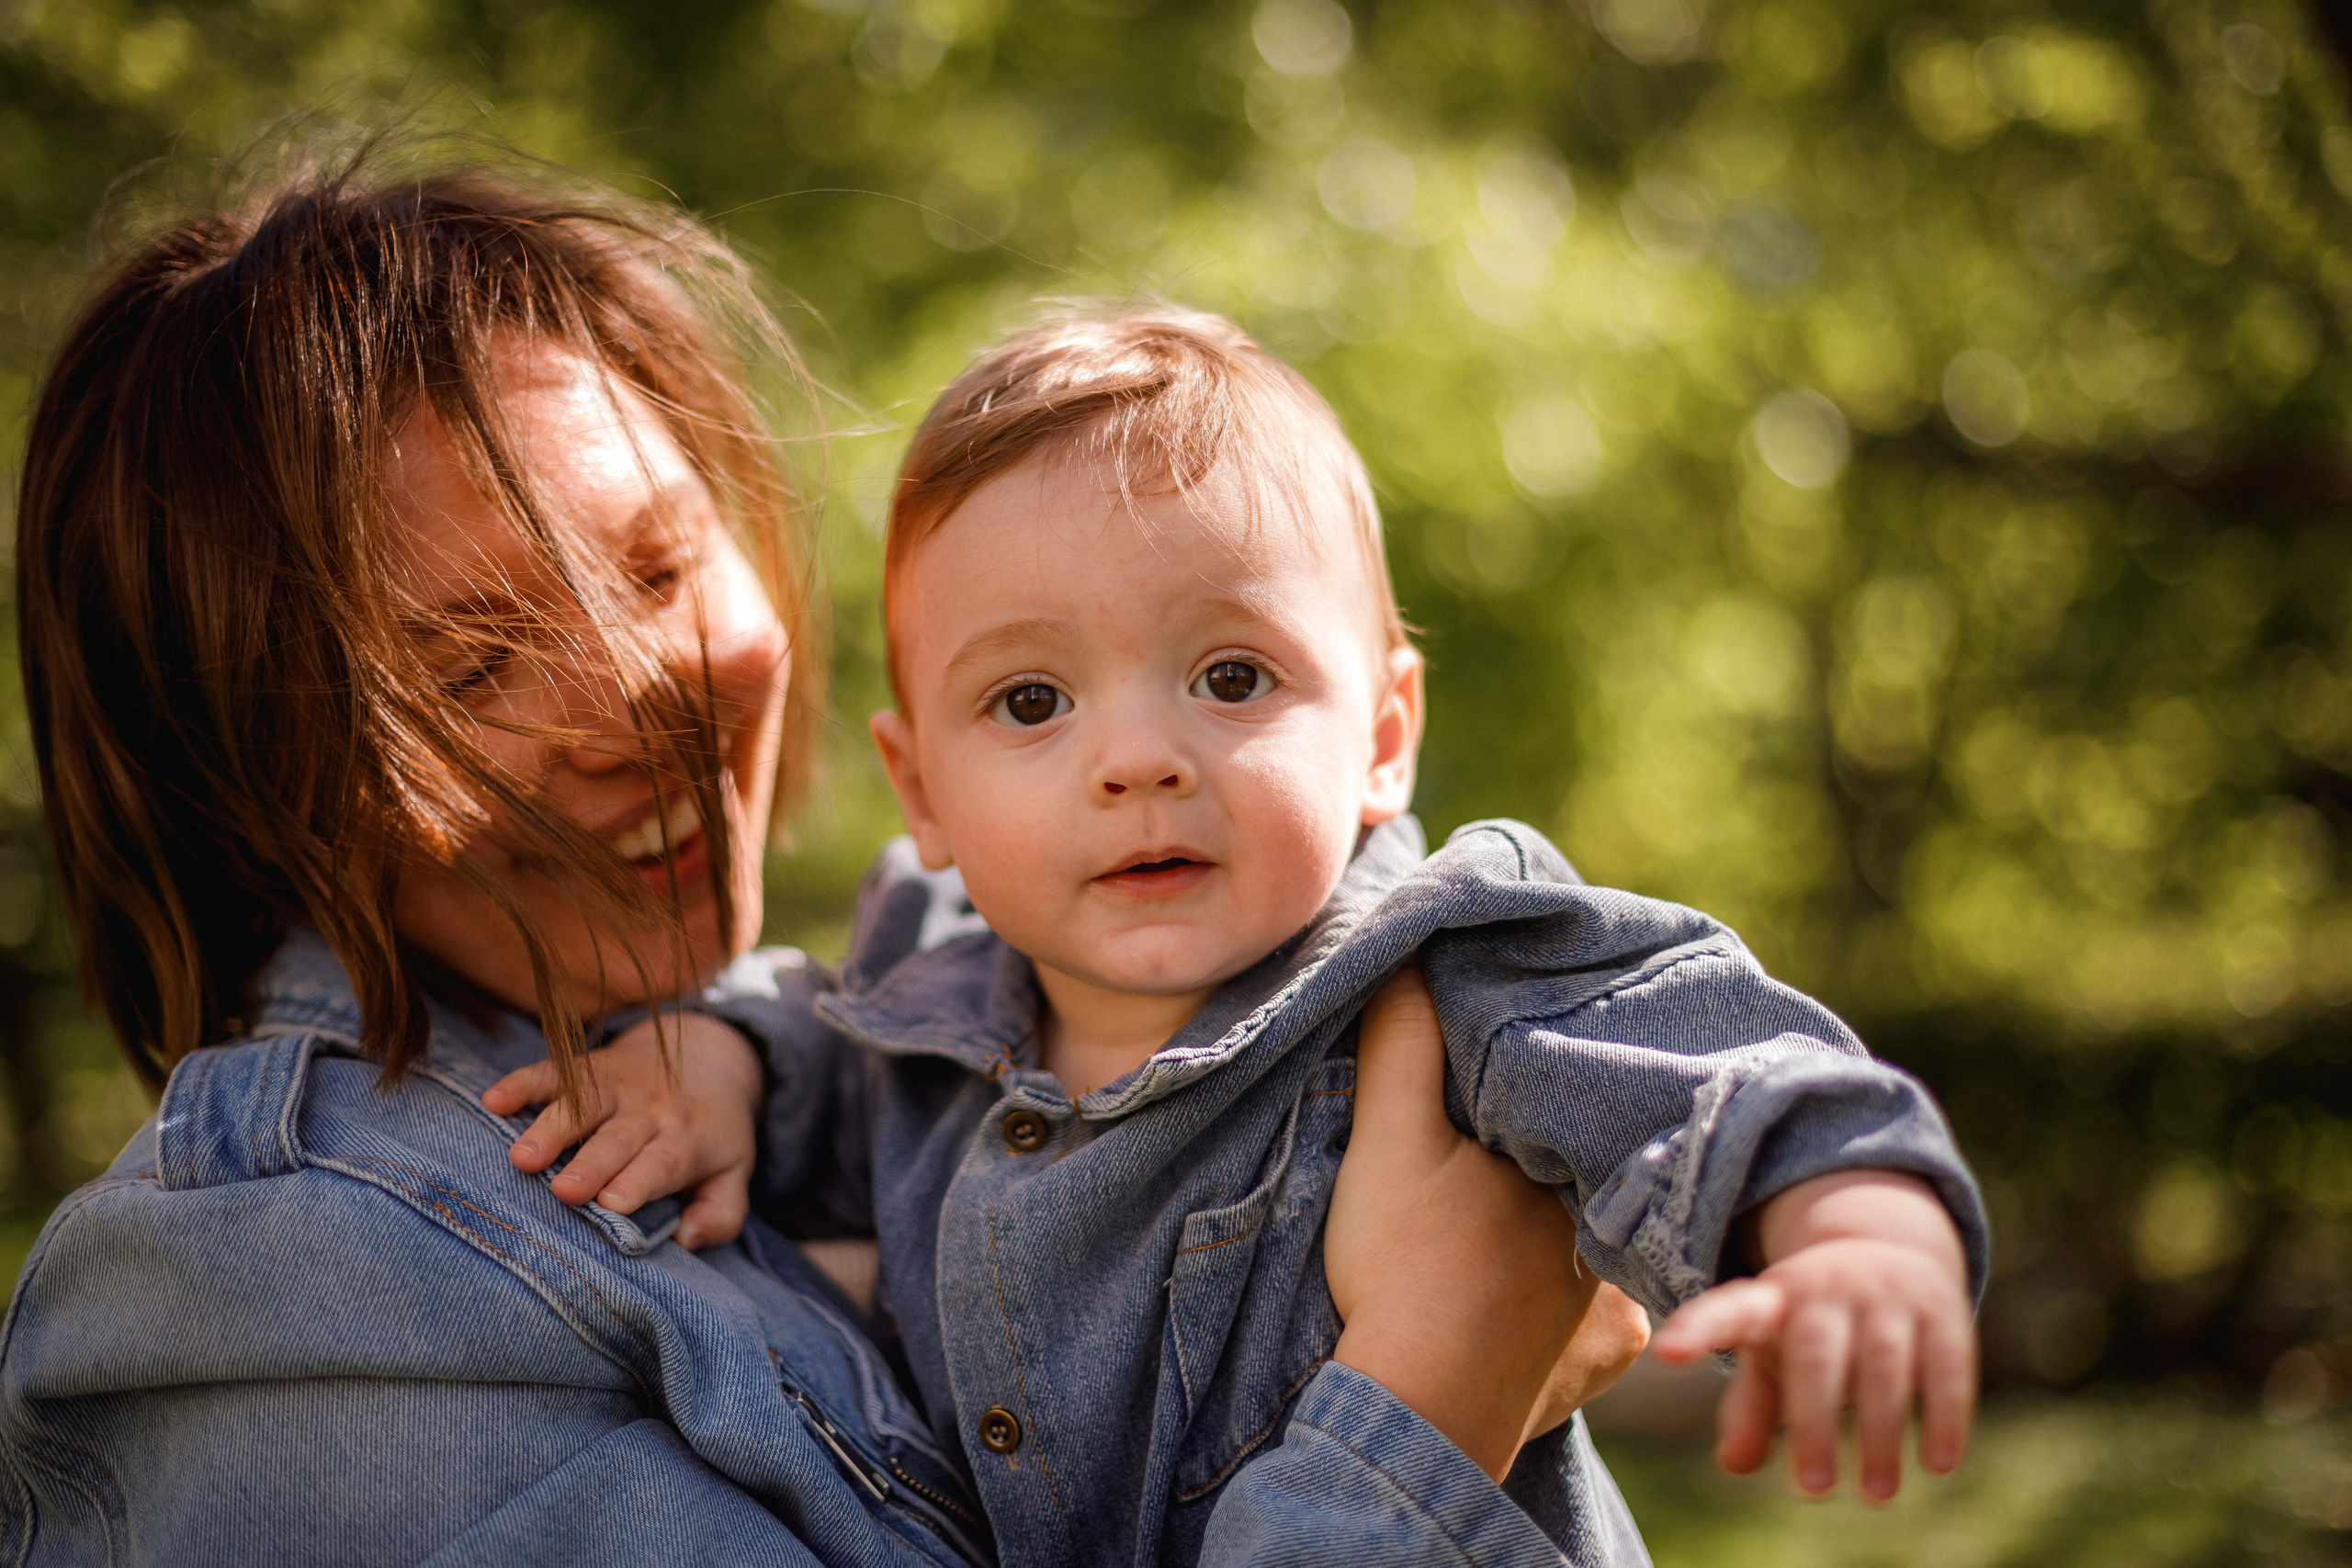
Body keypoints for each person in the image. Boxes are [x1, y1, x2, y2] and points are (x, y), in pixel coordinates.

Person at [0, 164, 1645, 1565]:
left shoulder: (854, 1057)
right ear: (251, 778)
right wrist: (1430, 1388)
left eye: (654, 565)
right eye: (479, 663)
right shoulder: (270, 1287)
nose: (638, 700)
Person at [514, 308, 1992, 1568]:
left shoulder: (1439, 968)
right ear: (924, 793)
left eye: (1232, 674)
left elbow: (1703, 1052)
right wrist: (715, 1054)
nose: (1139, 757)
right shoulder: (918, 1012)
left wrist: (1858, 1223)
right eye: (1031, 702)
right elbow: (804, 1050)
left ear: (1384, 737)